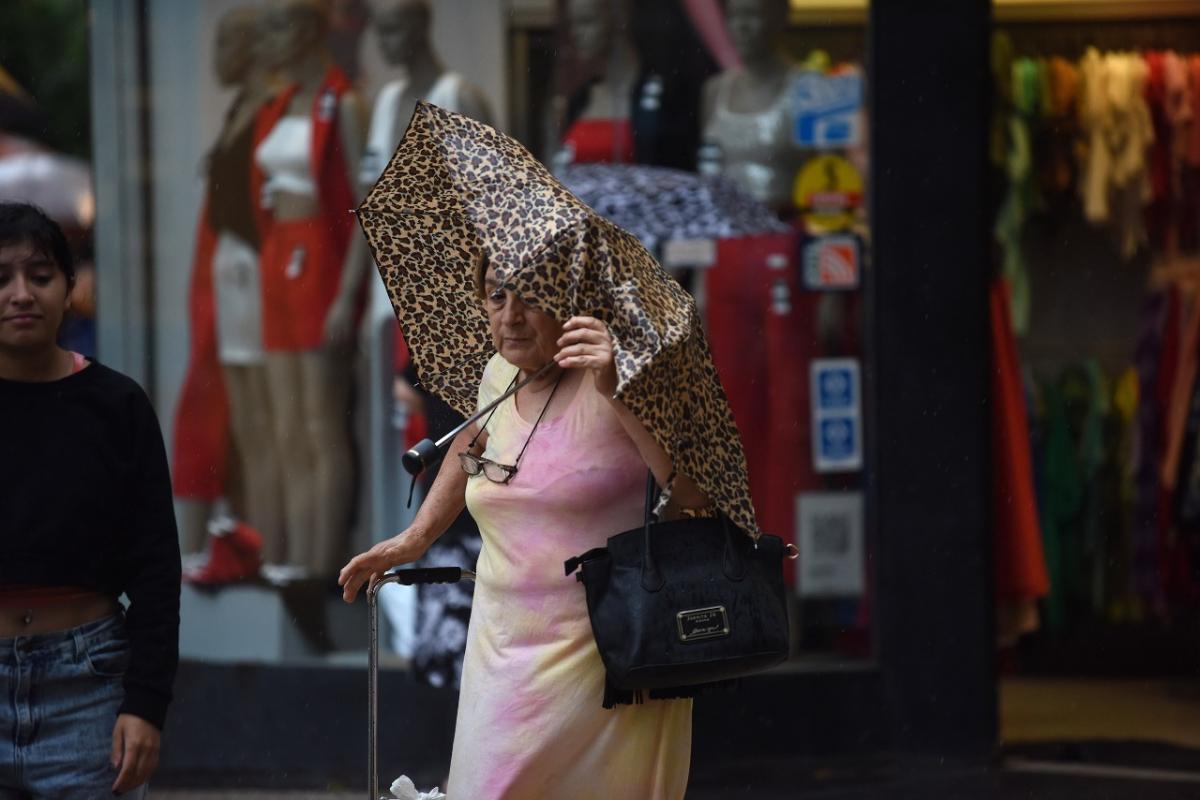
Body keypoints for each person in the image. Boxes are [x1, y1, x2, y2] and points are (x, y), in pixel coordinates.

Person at [340, 256, 708, 799]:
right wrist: (413, 539)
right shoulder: (499, 375)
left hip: (609, 654)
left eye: (530, 297)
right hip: (502, 648)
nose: (509, 316)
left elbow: (693, 494)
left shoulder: (630, 373)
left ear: (573, 301)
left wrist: (615, 388)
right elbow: (471, 445)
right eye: (495, 296)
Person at [0, 202, 181, 797]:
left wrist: (146, 703)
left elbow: (156, 568)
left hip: (90, 689)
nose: (21, 294)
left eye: (40, 276)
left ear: (71, 287)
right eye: (1, 279)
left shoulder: (116, 406)